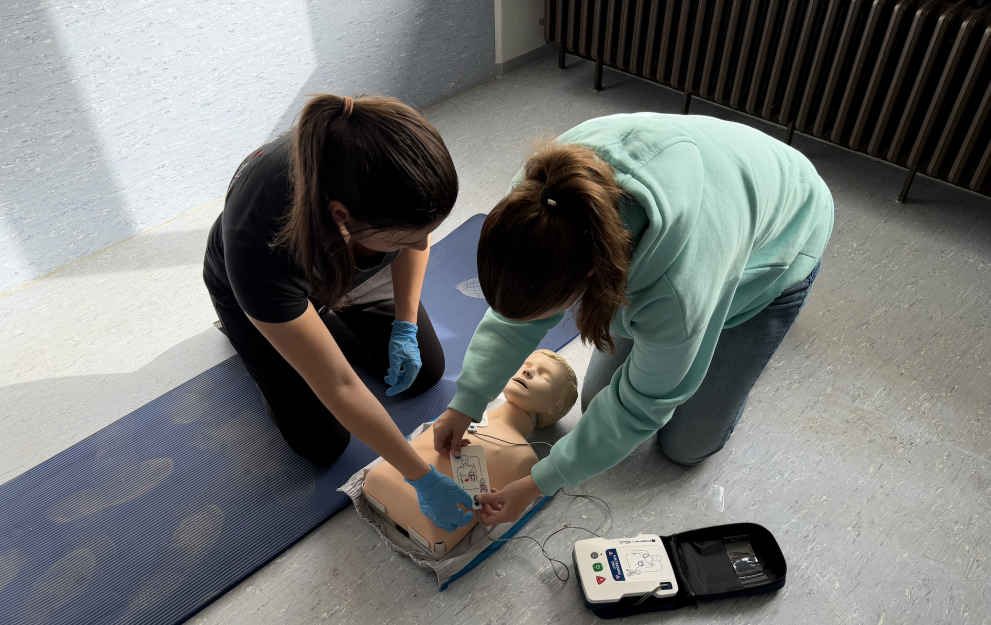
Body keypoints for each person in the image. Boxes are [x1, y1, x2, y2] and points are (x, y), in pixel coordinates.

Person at [433, 112, 834, 525]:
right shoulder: (534, 199)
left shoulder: (679, 292)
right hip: (716, 175)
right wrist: (466, 403)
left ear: (592, 273)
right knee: (596, 403)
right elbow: (514, 316)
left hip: (785, 230)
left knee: (685, 446)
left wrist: (540, 482)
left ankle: (752, 327)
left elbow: (640, 407)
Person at [203, 94, 472, 531]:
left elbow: (416, 239)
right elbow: (340, 384)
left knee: (426, 370)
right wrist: (420, 477)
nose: (420, 243)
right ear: (342, 216)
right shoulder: (258, 245)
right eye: (402, 238)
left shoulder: (380, 163)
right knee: (322, 442)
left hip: (350, 263)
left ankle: (320, 321)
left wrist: (405, 324)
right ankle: (272, 328)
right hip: (261, 287)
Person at [363, 350, 578, 555]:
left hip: (424, 519)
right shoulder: (462, 415)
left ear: (556, 408)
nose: (527, 371)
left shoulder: (525, 456)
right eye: (525, 365)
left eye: (544, 375)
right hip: (387, 482)